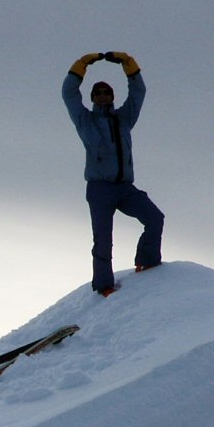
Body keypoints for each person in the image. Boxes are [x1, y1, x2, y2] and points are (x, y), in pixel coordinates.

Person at [62, 51, 164, 295]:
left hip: (124, 188)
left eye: (106, 92)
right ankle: (104, 285)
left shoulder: (123, 119)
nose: (102, 95)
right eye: (97, 93)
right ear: (92, 98)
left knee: (155, 218)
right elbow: (68, 93)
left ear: (112, 96)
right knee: (103, 239)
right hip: (100, 189)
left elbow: (138, 92)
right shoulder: (85, 121)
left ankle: (147, 262)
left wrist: (129, 65)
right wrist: (81, 65)